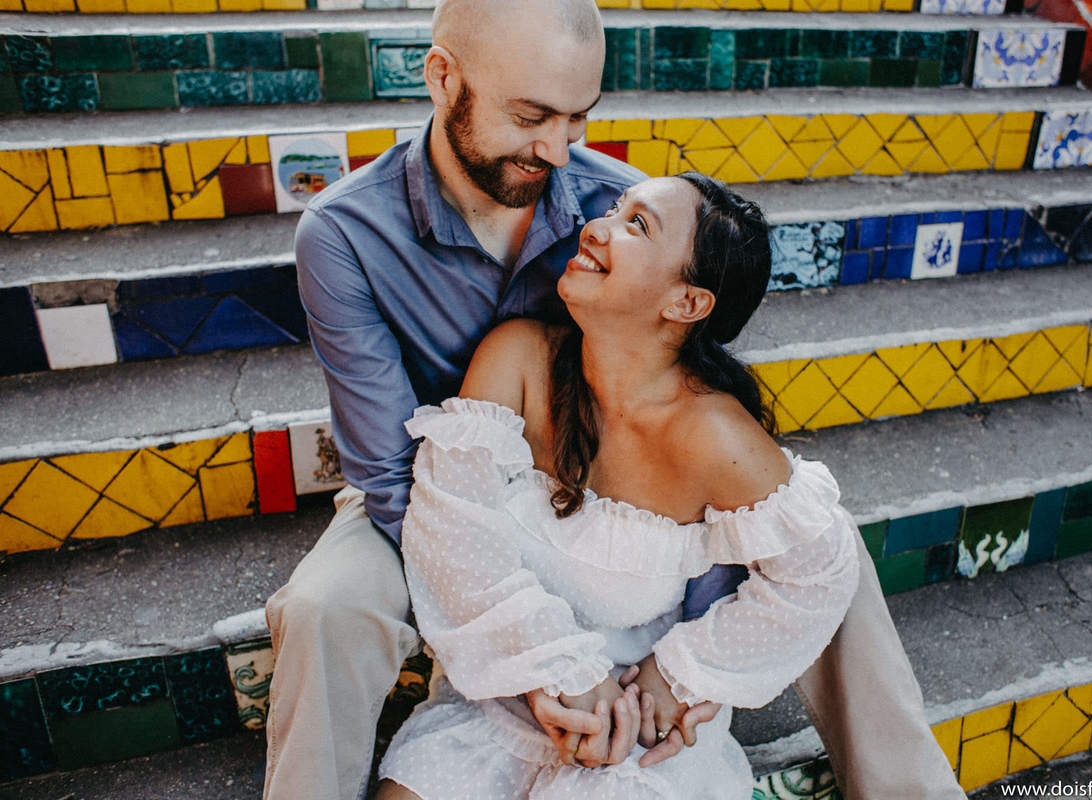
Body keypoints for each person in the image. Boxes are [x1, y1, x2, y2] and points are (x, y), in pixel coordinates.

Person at [265, 0, 966, 797]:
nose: (559, 150)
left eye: (579, 119)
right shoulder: (345, 233)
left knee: (823, 545)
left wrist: (679, 664)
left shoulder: (618, 202)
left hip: (613, 489)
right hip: (441, 483)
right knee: (325, 606)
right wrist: (536, 659)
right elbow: (393, 475)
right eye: (531, 116)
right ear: (442, 77)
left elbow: (685, 398)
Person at [372, 172, 861, 799]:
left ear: (687, 303)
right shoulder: (517, 358)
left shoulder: (716, 436)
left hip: (643, 731)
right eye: (614, 210)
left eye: (638, 226)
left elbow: (820, 575)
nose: (596, 228)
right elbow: (453, 538)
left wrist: (680, 676)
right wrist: (553, 677)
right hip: (502, 694)